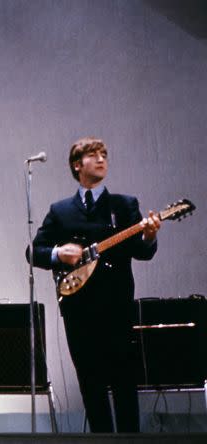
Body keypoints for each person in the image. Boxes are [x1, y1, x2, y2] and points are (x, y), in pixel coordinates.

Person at [29, 137, 160, 432]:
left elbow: (142, 251)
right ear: (78, 165)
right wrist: (58, 253)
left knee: (124, 381)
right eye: (93, 155)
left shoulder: (124, 205)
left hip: (117, 306)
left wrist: (149, 235)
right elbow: (33, 251)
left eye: (104, 154)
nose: (101, 159)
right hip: (78, 309)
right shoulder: (60, 211)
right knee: (90, 382)